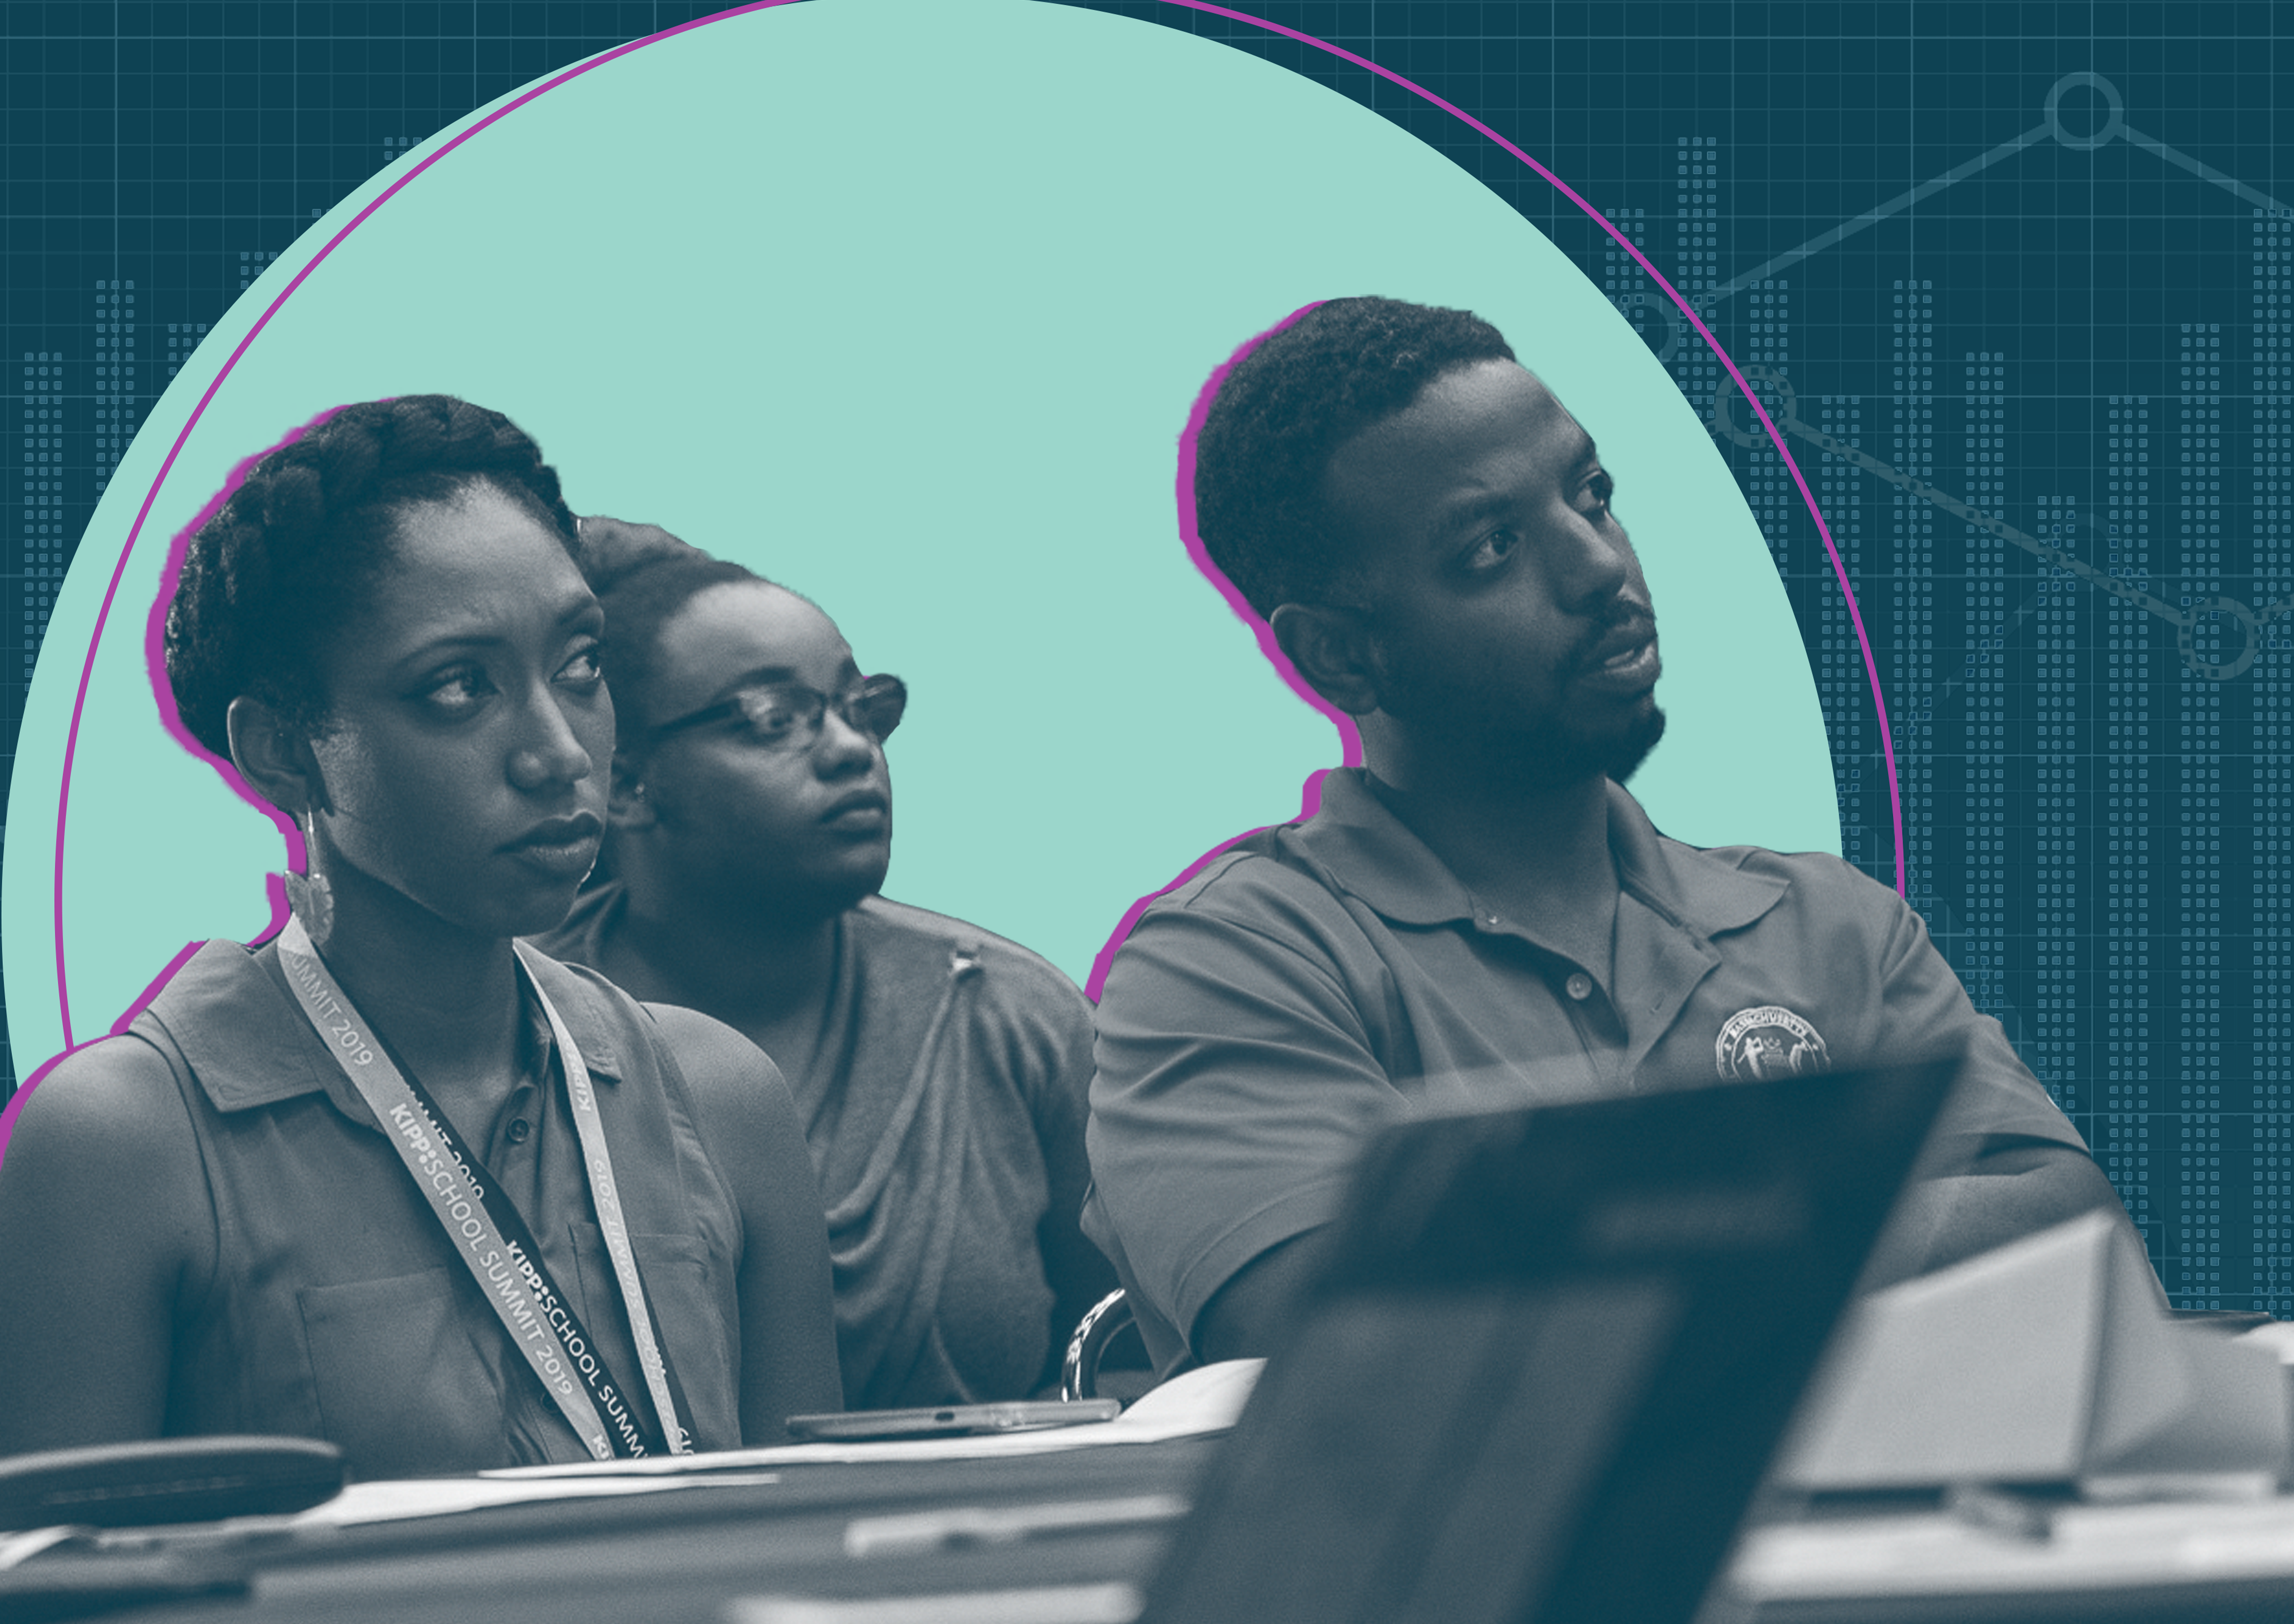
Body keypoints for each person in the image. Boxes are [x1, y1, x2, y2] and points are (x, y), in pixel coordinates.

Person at [1084, 296, 2142, 1377]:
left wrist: (1576, 1250)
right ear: (1340, 657)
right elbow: (1346, 1335)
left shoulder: (1831, 923)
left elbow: (2071, 1230)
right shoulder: (1228, 962)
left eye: (1590, 496)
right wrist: (1835, 1223)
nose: (1597, 565)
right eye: (1491, 547)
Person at [0, 398, 843, 1477]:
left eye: (581, 665)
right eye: (457, 687)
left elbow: (809, 1537)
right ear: (283, 752)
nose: (557, 752)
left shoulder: (719, 1095)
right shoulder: (124, 1141)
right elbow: (66, 1563)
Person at [534, 519, 1114, 1411]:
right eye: (774, 719)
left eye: (861, 707)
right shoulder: (514, 1025)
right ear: (626, 786)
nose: (852, 749)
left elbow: (1131, 1357)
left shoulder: (1011, 1014)